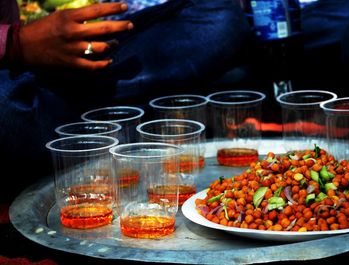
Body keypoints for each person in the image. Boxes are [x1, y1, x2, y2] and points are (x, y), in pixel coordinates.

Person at [0, 0, 252, 202]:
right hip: (11, 84)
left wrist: (44, 44)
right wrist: (14, 43)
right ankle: (133, 117)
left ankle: (104, 125)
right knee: (6, 107)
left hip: (38, 72)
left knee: (218, 16)